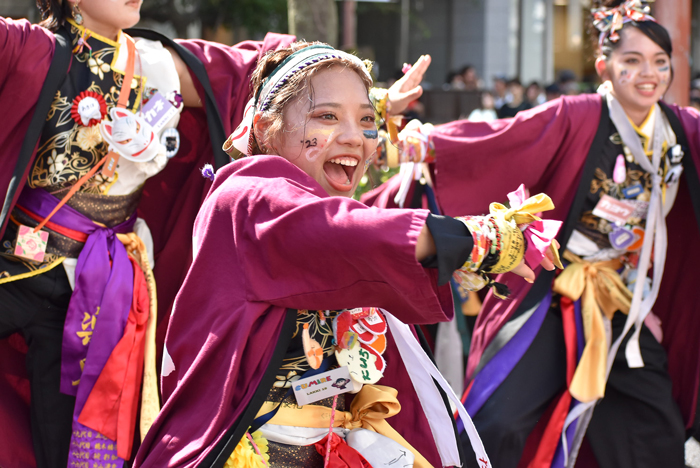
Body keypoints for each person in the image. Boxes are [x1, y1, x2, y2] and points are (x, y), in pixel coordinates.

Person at [133, 41, 558, 468]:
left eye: (367, 120)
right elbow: (347, 234)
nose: (355, 137)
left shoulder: (333, 214)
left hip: (335, 446)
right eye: (327, 116)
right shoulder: (249, 195)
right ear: (265, 129)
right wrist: (478, 241)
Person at [361, 1, 700, 467]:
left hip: (625, 302)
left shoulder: (680, 131)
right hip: (553, 293)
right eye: (633, 61)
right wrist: (408, 144)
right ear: (604, 67)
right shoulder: (577, 115)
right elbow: (502, 140)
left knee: (657, 425)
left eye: (661, 63)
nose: (650, 74)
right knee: (499, 420)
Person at [0, 1, 294, 467]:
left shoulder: (157, 64)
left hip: (96, 283)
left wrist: (371, 100)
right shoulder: (29, 48)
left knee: (59, 443)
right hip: (14, 265)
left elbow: (254, 74)